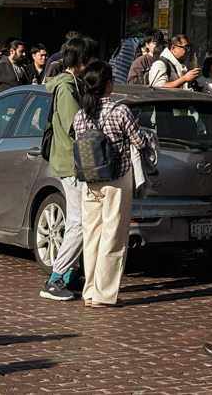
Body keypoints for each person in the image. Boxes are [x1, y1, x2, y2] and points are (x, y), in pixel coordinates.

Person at [73, 60, 147, 307]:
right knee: (113, 237)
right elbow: (139, 141)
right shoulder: (120, 111)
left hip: (90, 179)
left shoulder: (80, 115)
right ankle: (104, 295)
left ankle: (89, 291)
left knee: (91, 235)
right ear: (108, 85)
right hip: (117, 178)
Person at [40, 36, 99, 302]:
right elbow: (76, 125)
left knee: (81, 220)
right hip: (71, 162)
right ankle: (56, 277)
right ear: (82, 61)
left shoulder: (74, 83)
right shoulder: (66, 87)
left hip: (75, 161)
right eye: (93, 59)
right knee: (78, 222)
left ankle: (69, 275)